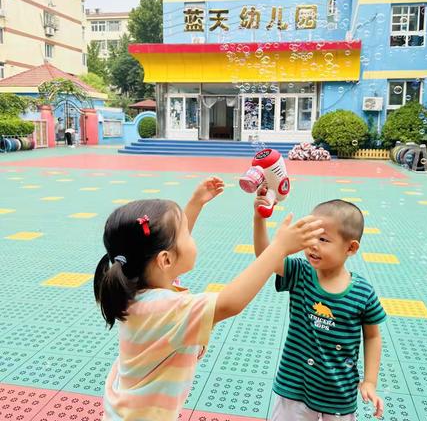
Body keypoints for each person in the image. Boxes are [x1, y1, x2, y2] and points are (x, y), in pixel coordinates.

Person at [94, 177, 324, 421]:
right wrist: (279, 248)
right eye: (186, 235)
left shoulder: (139, 287)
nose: (191, 238)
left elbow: (167, 248)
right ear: (166, 260)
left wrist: (195, 204)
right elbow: (230, 302)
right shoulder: (168, 308)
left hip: (126, 409)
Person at [253, 193, 387, 421]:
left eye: (323, 240)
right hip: (294, 388)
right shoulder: (300, 273)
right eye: (311, 237)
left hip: (339, 394)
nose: (313, 245)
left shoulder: (363, 292)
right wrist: (259, 219)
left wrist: (370, 381)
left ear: (351, 248)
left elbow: (372, 337)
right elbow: (265, 258)